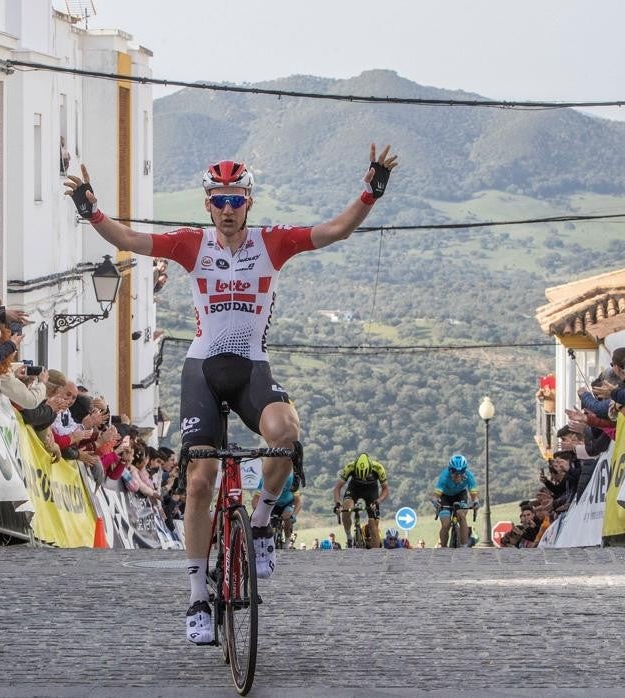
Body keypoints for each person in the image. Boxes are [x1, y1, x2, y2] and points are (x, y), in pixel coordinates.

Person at [66, 143, 399, 645]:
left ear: (249, 201)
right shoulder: (190, 245)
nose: (226, 209)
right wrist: (90, 209)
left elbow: (334, 230)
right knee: (200, 481)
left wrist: (371, 189)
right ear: (207, 204)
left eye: (235, 200)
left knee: (285, 434)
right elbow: (130, 238)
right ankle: (198, 596)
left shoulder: (272, 242)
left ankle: (261, 522)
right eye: (218, 200)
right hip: (203, 368)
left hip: (250, 369)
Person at [332, 452, 389, 547]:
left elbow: (386, 489)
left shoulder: (378, 468)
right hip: (355, 489)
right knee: (346, 509)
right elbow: (337, 488)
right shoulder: (350, 467)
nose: (363, 478)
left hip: (371, 491)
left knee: (373, 526)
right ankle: (349, 537)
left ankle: (376, 554)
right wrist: (337, 504)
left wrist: (378, 501)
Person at [432, 454, 479, 548]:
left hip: (460, 495)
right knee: (446, 524)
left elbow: (474, 494)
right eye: (454, 472)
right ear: (450, 470)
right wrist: (435, 501)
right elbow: (436, 495)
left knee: (461, 515)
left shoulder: (469, 476)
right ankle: (443, 548)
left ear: (465, 471)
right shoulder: (444, 476)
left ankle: (464, 546)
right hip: (445, 497)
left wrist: (476, 502)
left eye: (461, 472)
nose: (458, 475)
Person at [251, 470, 301, 549]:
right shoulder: (265, 479)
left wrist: (294, 515)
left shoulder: (291, 480)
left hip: (287, 504)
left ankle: (287, 541)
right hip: (272, 503)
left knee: (286, 517)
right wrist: (257, 511)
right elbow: (255, 499)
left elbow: (298, 502)